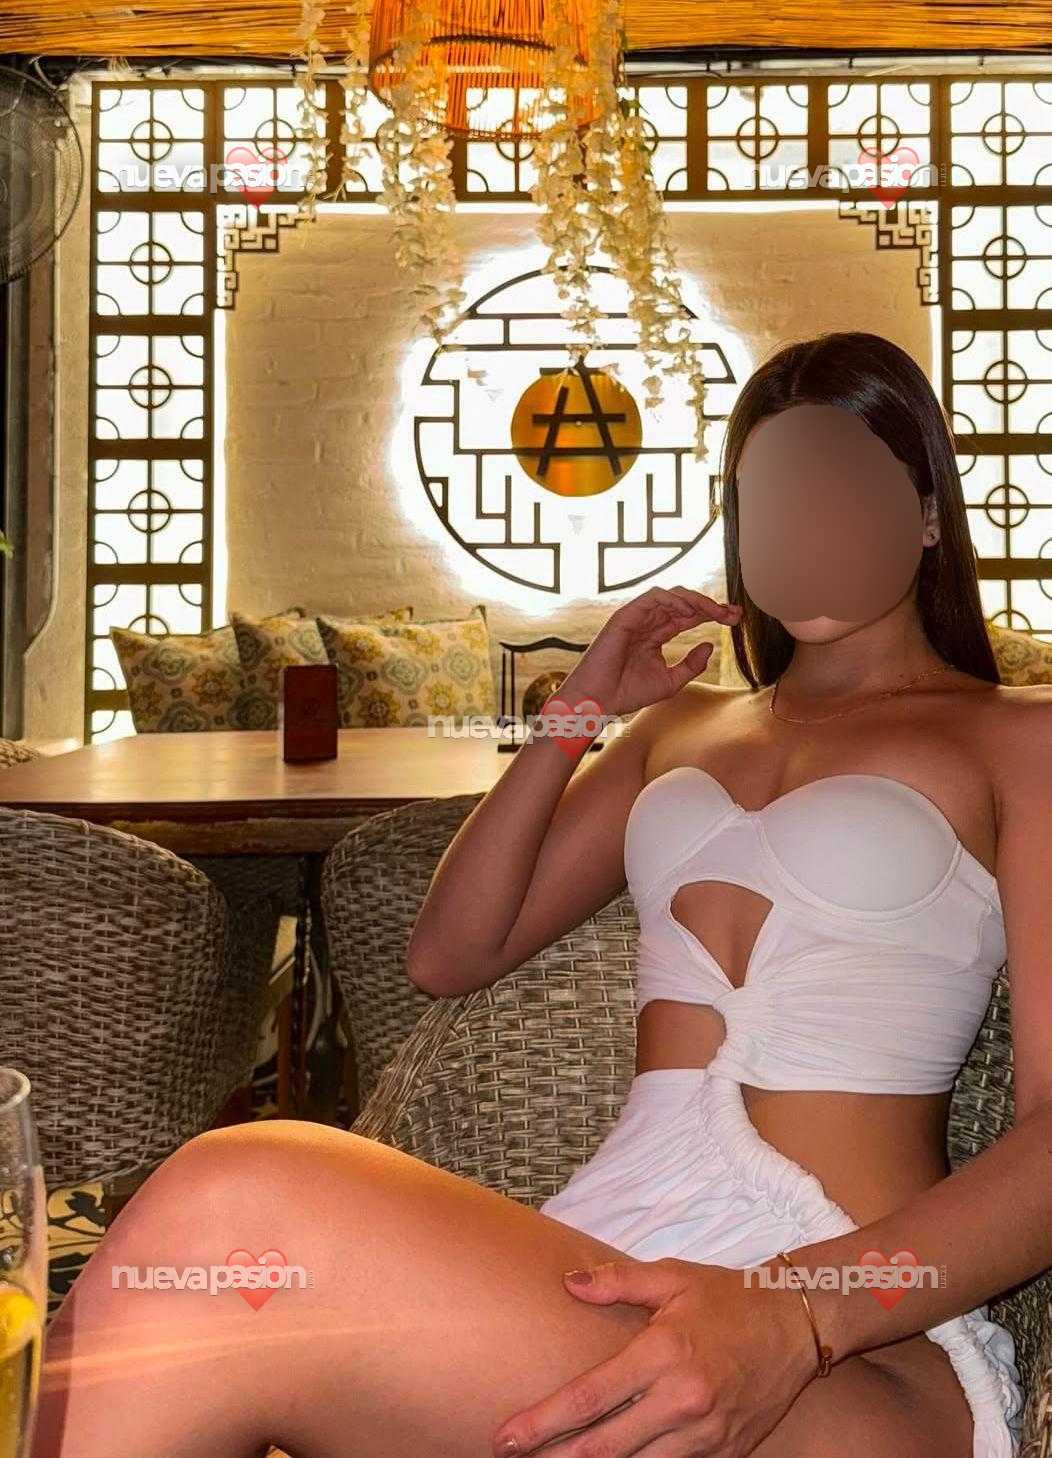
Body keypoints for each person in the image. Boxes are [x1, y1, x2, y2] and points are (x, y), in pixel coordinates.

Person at [35, 331, 1052, 1458]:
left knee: (237, 1204)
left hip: (851, 1338)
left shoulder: (1020, 738)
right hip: (600, 1273)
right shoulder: (678, 730)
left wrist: (806, 1310)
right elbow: (450, 952)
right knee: (196, 1296)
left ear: (926, 515)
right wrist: (580, 713)